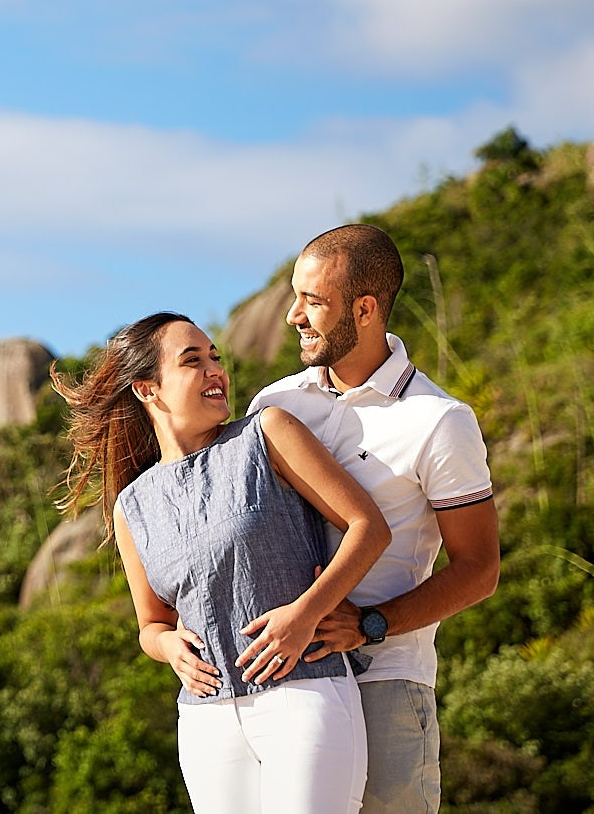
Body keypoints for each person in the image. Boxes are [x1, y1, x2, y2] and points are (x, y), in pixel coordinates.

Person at [57, 311, 392, 813]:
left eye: (215, 357)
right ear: (149, 389)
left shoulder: (268, 434)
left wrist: (306, 614)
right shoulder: (133, 505)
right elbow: (150, 624)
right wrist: (168, 647)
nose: (216, 371)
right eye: (193, 361)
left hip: (302, 695)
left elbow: (368, 527)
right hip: (206, 721)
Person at [247, 224, 500, 814]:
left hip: (383, 684)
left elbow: (479, 569)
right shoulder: (273, 404)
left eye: (312, 301)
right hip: (283, 687)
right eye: (294, 296)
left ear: (364, 310)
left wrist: (371, 624)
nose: (293, 317)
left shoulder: (440, 421)